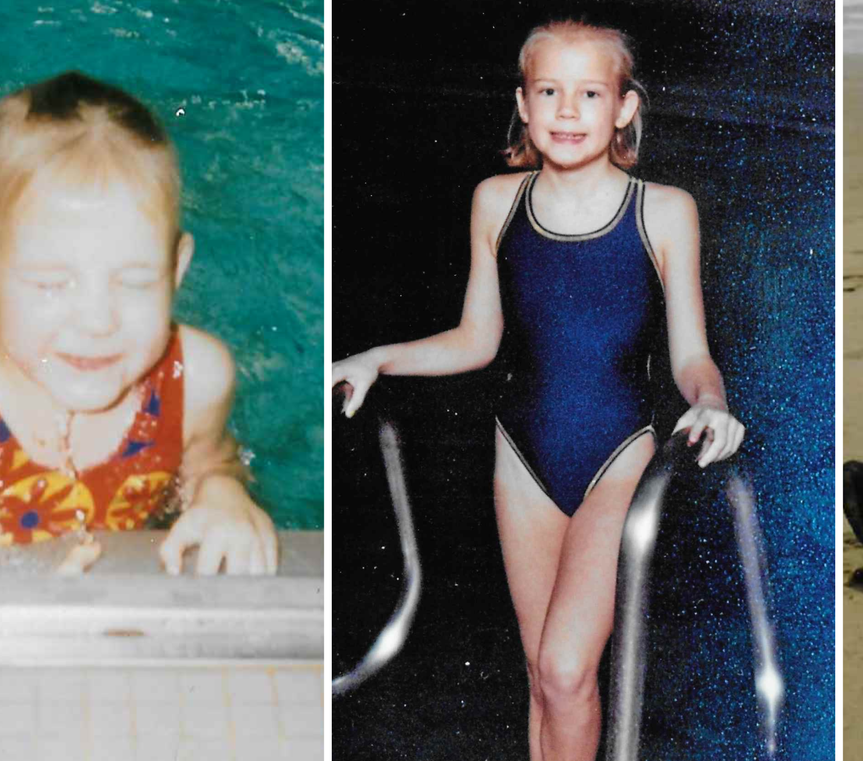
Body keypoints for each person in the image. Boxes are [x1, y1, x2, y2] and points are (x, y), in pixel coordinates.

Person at [332, 20, 746, 761]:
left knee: (564, 667)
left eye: (589, 92)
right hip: (519, 457)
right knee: (543, 677)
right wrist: (375, 358)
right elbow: (475, 340)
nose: (565, 109)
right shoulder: (496, 201)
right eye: (548, 90)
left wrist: (709, 401)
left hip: (617, 454)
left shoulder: (663, 210)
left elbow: (690, 356)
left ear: (623, 108)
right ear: (522, 104)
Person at [0, 71, 278, 574]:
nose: (98, 320)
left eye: (134, 281)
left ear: (177, 269)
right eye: (49, 283)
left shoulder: (196, 379)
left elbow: (210, 459)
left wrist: (222, 492)